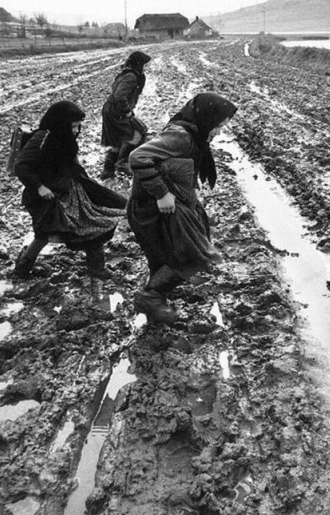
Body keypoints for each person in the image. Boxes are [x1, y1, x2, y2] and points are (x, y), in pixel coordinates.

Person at [127, 92, 238, 324]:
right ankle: (150, 297)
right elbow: (138, 157)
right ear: (206, 118)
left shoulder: (194, 135)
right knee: (193, 253)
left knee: (169, 254)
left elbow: (182, 167)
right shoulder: (181, 136)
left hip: (167, 204)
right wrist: (162, 193)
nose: (219, 132)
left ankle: (155, 309)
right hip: (152, 206)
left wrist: (193, 193)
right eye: (218, 126)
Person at [12, 100, 128, 281]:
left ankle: (97, 268)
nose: (76, 130)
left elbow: (72, 164)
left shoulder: (65, 138)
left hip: (71, 191)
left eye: (78, 126)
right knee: (43, 235)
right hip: (47, 198)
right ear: (60, 124)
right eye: (72, 126)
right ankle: (22, 268)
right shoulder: (41, 139)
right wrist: (40, 187)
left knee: (94, 225)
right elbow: (21, 166)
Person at [100, 50, 152, 179]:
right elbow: (118, 95)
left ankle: (108, 169)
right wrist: (127, 111)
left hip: (111, 111)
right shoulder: (131, 77)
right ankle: (122, 163)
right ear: (138, 64)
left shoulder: (126, 74)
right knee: (138, 133)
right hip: (116, 112)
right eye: (144, 65)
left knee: (119, 139)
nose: (146, 68)